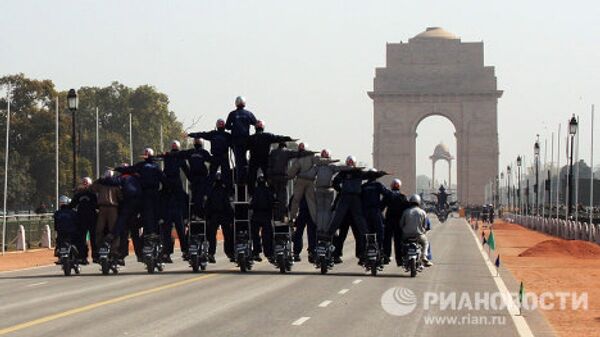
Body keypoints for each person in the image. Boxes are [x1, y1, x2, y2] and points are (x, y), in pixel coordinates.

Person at [325, 156, 372, 264]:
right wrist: (341, 191)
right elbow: (335, 182)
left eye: (351, 163)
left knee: (359, 234)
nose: (350, 164)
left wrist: (378, 173)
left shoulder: (358, 173)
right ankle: (337, 254)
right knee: (342, 235)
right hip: (346, 214)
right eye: (349, 162)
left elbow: (369, 174)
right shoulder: (344, 173)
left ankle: (361, 255)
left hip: (353, 212)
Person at [115, 148, 166, 242]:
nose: (145, 154)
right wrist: (119, 169)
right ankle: (148, 233)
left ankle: (154, 233)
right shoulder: (141, 165)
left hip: (154, 193)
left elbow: (163, 179)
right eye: (144, 153)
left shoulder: (156, 166)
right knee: (146, 214)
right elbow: (129, 169)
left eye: (147, 153)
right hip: (145, 193)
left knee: (155, 214)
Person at [159, 140, 191, 262]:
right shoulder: (180, 157)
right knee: (180, 229)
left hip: (168, 204)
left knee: (167, 231)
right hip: (176, 206)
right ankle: (185, 251)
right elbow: (187, 172)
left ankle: (167, 253)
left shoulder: (167, 156)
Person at [267, 142, 312, 221]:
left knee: (273, 197)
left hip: (273, 178)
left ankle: (273, 215)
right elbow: (298, 154)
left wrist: (269, 178)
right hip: (283, 178)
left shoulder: (273, 152)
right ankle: (281, 216)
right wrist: (310, 153)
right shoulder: (287, 152)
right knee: (282, 197)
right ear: (285, 146)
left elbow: (269, 165)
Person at [247, 120, 294, 195]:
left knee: (251, 176)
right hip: (264, 159)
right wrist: (288, 138)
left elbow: (244, 147)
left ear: (255, 127)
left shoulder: (251, 138)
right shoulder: (267, 136)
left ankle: (251, 193)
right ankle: (272, 192)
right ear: (263, 127)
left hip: (254, 159)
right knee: (268, 176)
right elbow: (278, 138)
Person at [188, 119, 233, 191]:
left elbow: (235, 144)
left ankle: (229, 192)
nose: (220, 125)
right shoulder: (213, 134)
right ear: (217, 125)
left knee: (226, 175)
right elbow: (203, 134)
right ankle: (207, 192)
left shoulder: (227, 135)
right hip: (215, 157)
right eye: (219, 123)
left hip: (224, 157)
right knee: (211, 176)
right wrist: (193, 134)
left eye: (221, 124)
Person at [89, 170, 122, 262]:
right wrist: (100, 180)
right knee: (99, 229)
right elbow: (91, 188)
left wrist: (99, 179)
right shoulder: (102, 185)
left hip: (111, 208)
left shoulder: (114, 186)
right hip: (104, 208)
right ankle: (101, 247)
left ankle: (114, 249)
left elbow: (120, 197)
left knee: (113, 230)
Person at [112, 166, 143, 262]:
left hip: (126, 207)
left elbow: (112, 181)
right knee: (135, 234)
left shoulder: (123, 178)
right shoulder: (137, 177)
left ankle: (122, 255)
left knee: (124, 234)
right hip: (136, 208)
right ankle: (140, 255)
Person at [225, 96, 257, 185]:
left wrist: (234, 127)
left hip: (236, 141)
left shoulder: (232, 114)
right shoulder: (249, 114)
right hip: (246, 140)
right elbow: (256, 123)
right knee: (245, 160)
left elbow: (227, 126)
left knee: (239, 162)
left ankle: (240, 181)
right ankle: (247, 178)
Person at [204, 172, 234, 262]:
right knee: (227, 235)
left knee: (212, 235)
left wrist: (207, 217)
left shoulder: (211, 191)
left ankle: (211, 253)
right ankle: (229, 252)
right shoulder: (225, 191)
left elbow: (208, 205)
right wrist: (231, 216)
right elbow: (227, 204)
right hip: (223, 215)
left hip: (215, 215)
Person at [361, 169, 392, 250]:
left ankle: (364, 251)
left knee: (366, 232)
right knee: (380, 231)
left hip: (365, 212)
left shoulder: (363, 186)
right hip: (375, 211)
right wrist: (381, 205)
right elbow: (387, 194)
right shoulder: (378, 185)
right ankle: (380, 249)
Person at [399, 194, 433, 267]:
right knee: (426, 243)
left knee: (401, 244)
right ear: (419, 202)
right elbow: (425, 226)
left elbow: (401, 224)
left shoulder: (406, 212)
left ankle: (402, 257)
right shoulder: (423, 212)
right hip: (419, 235)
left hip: (406, 235)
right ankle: (424, 256)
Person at [288, 142, 318, 223]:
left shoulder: (299, 157)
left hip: (300, 181)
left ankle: (293, 217)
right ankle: (315, 220)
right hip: (310, 182)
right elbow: (318, 163)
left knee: (296, 199)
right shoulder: (312, 155)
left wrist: (287, 177)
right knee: (312, 202)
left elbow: (293, 170)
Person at [70, 177, 97, 264]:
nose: (85, 185)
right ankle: (83, 257)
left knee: (93, 238)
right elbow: (72, 204)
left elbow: (98, 204)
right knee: (82, 239)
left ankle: (95, 256)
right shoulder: (79, 194)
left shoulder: (93, 194)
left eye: (86, 183)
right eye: (84, 183)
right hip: (83, 219)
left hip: (91, 218)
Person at [381, 178, 409, 264]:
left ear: (391, 186)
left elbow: (380, 207)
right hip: (399, 221)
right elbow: (407, 209)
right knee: (398, 240)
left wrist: (382, 219)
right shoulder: (403, 196)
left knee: (387, 239)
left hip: (389, 220)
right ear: (399, 186)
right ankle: (399, 259)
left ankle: (386, 257)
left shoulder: (388, 195)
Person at [249, 175, 274, 262]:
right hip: (266, 216)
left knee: (255, 235)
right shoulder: (268, 191)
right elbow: (271, 203)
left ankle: (256, 252)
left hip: (256, 215)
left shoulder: (255, 191)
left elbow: (252, 204)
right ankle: (269, 253)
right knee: (266, 236)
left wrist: (250, 207)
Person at [54, 195, 82, 263]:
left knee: (59, 242)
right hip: (71, 232)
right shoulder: (73, 212)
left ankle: (59, 254)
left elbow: (55, 225)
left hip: (61, 232)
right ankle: (79, 255)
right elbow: (77, 222)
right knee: (78, 241)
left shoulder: (57, 213)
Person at [292, 196, 316, 262]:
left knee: (299, 232)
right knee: (311, 232)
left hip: (303, 211)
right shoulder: (313, 188)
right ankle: (312, 252)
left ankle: (296, 252)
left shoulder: (301, 187)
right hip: (311, 211)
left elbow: (295, 198)